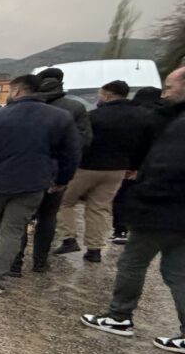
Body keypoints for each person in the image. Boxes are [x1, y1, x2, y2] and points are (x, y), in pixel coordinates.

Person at [81, 66, 185, 354]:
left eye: (169, 88)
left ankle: (119, 316)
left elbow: (168, 167)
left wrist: (142, 203)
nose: (164, 94)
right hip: (173, 212)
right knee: (177, 270)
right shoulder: (168, 119)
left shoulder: (178, 125)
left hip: (161, 211)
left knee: (132, 264)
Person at [0, 74, 81, 296]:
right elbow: (71, 154)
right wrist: (60, 180)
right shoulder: (61, 118)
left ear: (17, 91)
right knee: (13, 230)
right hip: (32, 183)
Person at [54, 80, 160, 262]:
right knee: (100, 207)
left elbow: (82, 141)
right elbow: (146, 144)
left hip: (87, 166)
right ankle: (94, 249)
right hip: (118, 169)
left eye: (100, 94)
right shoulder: (142, 117)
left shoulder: (94, 116)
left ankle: (68, 238)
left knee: (65, 201)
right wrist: (134, 166)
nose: (98, 97)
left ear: (108, 95)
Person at [13, 67, 93, 273]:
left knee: (19, 216)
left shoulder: (17, 107)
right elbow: (82, 142)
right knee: (47, 217)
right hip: (54, 171)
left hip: (22, 171)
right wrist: (64, 175)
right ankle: (40, 262)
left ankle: (15, 262)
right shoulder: (74, 108)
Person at [112, 86, 164, 244]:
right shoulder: (167, 115)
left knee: (123, 196)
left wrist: (131, 165)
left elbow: (131, 142)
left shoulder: (134, 115)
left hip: (132, 164)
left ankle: (121, 230)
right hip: (160, 165)